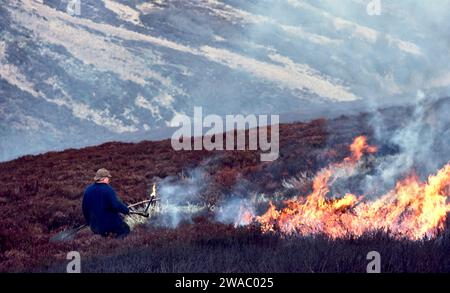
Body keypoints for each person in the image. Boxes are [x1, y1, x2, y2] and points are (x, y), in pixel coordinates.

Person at [82, 168, 130, 238]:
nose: (109, 180)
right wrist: (126, 210)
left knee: (104, 236)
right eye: (108, 178)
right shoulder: (107, 189)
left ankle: (106, 245)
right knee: (125, 230)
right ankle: (115, 246)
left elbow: (84, 208)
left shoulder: (88, 189)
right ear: (104, 178)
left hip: (95, 226)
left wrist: (89, 222)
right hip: (109, 224)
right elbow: (116, 205)